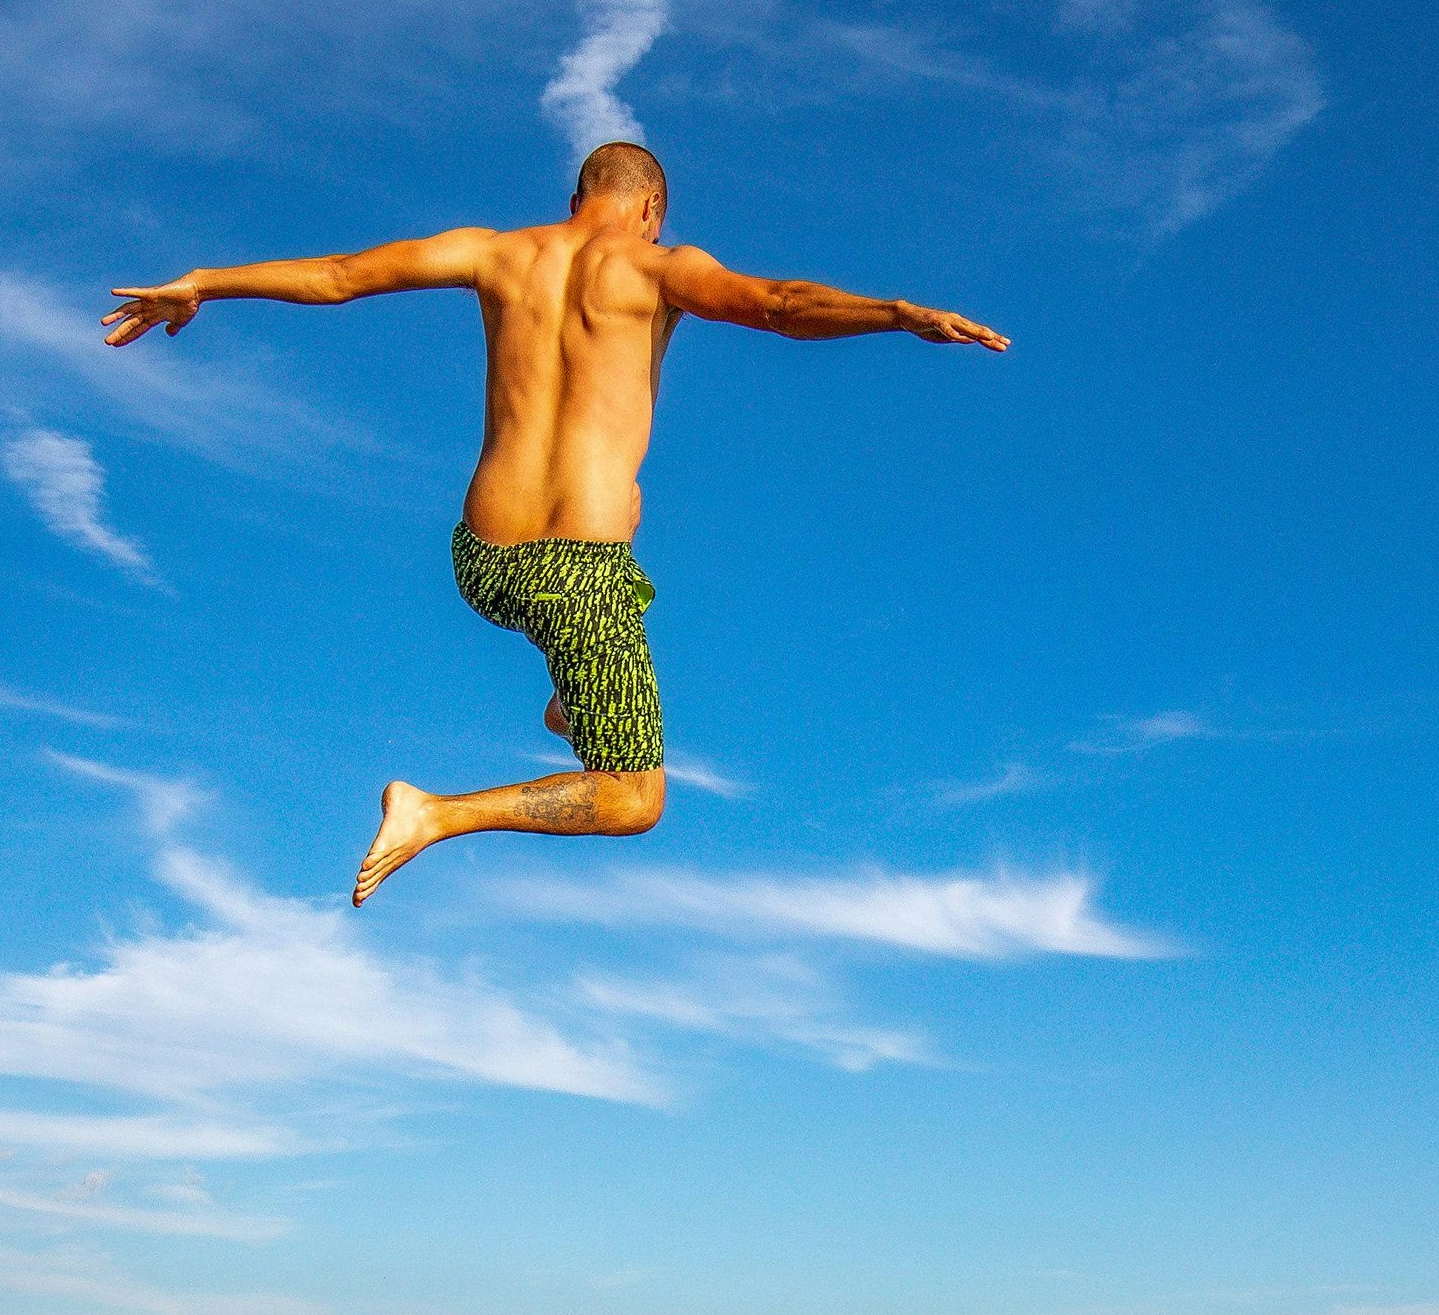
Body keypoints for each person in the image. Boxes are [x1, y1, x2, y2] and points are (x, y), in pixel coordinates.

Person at [106, 142, 1005, 903]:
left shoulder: (494, 254)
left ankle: (573, 694)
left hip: (482, 565)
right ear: (649, 208)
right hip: (577, 577)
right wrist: (899, 314)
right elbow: (778, 304)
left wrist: (202, 283)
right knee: (632, 798)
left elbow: (339, 276)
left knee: (606, 571)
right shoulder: (662, 268)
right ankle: (438, 810)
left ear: (575, 200)